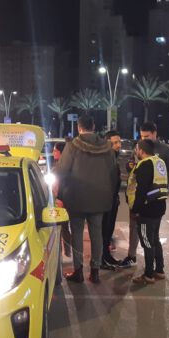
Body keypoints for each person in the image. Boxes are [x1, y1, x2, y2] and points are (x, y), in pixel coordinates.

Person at [54, 114, 118, 284]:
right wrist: (109, 192)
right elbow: (113, 173)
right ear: (94, 126)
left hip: (76, 198)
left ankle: (78, 271)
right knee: (97, 235)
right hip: (100, 198)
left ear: (79, 127)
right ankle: (95, 271)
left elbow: (61, 171)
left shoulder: (73, 146)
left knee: (77, 234)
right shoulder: (107, 147)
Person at [120, 122, 169, 268]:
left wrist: (161, 184)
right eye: (142, 136)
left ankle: (152, 270)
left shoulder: (165, 150)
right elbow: (131, 164)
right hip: (137, 197)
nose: (144, 139)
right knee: (134, 228)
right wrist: (130, 166)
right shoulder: (138, 147)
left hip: (154, 200)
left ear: (155, 134)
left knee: (151, 235)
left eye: (147, 136)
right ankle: (132, 256)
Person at [127, 139, 168, 284]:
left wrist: (136, 210)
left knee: (147, 242)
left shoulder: (144, 164)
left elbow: (141, 191)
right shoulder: (159, 162)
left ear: (141, 150)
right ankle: (159, 270)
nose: (136, 151)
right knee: (155, 239)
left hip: (147, 210)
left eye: (137, 149)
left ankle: (148, 275)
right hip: (159, 206)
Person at [101, 130, 123, 270]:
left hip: (112, 201)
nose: (118, 145)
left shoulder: (114, 157)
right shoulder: (105, 159)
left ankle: (107, 256)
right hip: (106, 203)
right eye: (114, 143)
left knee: (108, 232)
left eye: (119, 142)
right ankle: (103, 259)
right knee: (104, 232)